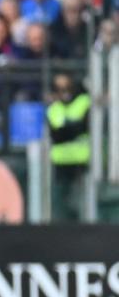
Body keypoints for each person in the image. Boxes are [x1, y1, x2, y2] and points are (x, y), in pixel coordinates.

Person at [46, 74, 90, 222]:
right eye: (59, 88)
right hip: (60, 163)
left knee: (81, 202)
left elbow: (85, 126)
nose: (64, 91)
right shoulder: (54, 109)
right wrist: (73, 128)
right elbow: (56, 136)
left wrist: (66, 130)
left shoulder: (83, 103)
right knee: (60, 204)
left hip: (81, 162)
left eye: (66, 87)